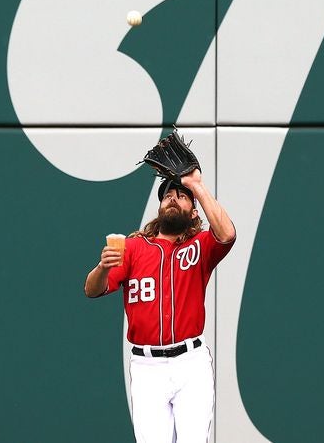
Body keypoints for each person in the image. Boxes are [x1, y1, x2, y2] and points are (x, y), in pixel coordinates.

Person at [84, 169, 236, 443]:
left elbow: (226, 234)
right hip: (147, 367)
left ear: (193, 212)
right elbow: (92, 290)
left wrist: (196, 186)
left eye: (182, 196)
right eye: (168, 195)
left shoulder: (199, 246)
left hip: (191, 363)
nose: (173, 199)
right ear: (160, 207)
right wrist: (102, 267)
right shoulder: (132, 248)